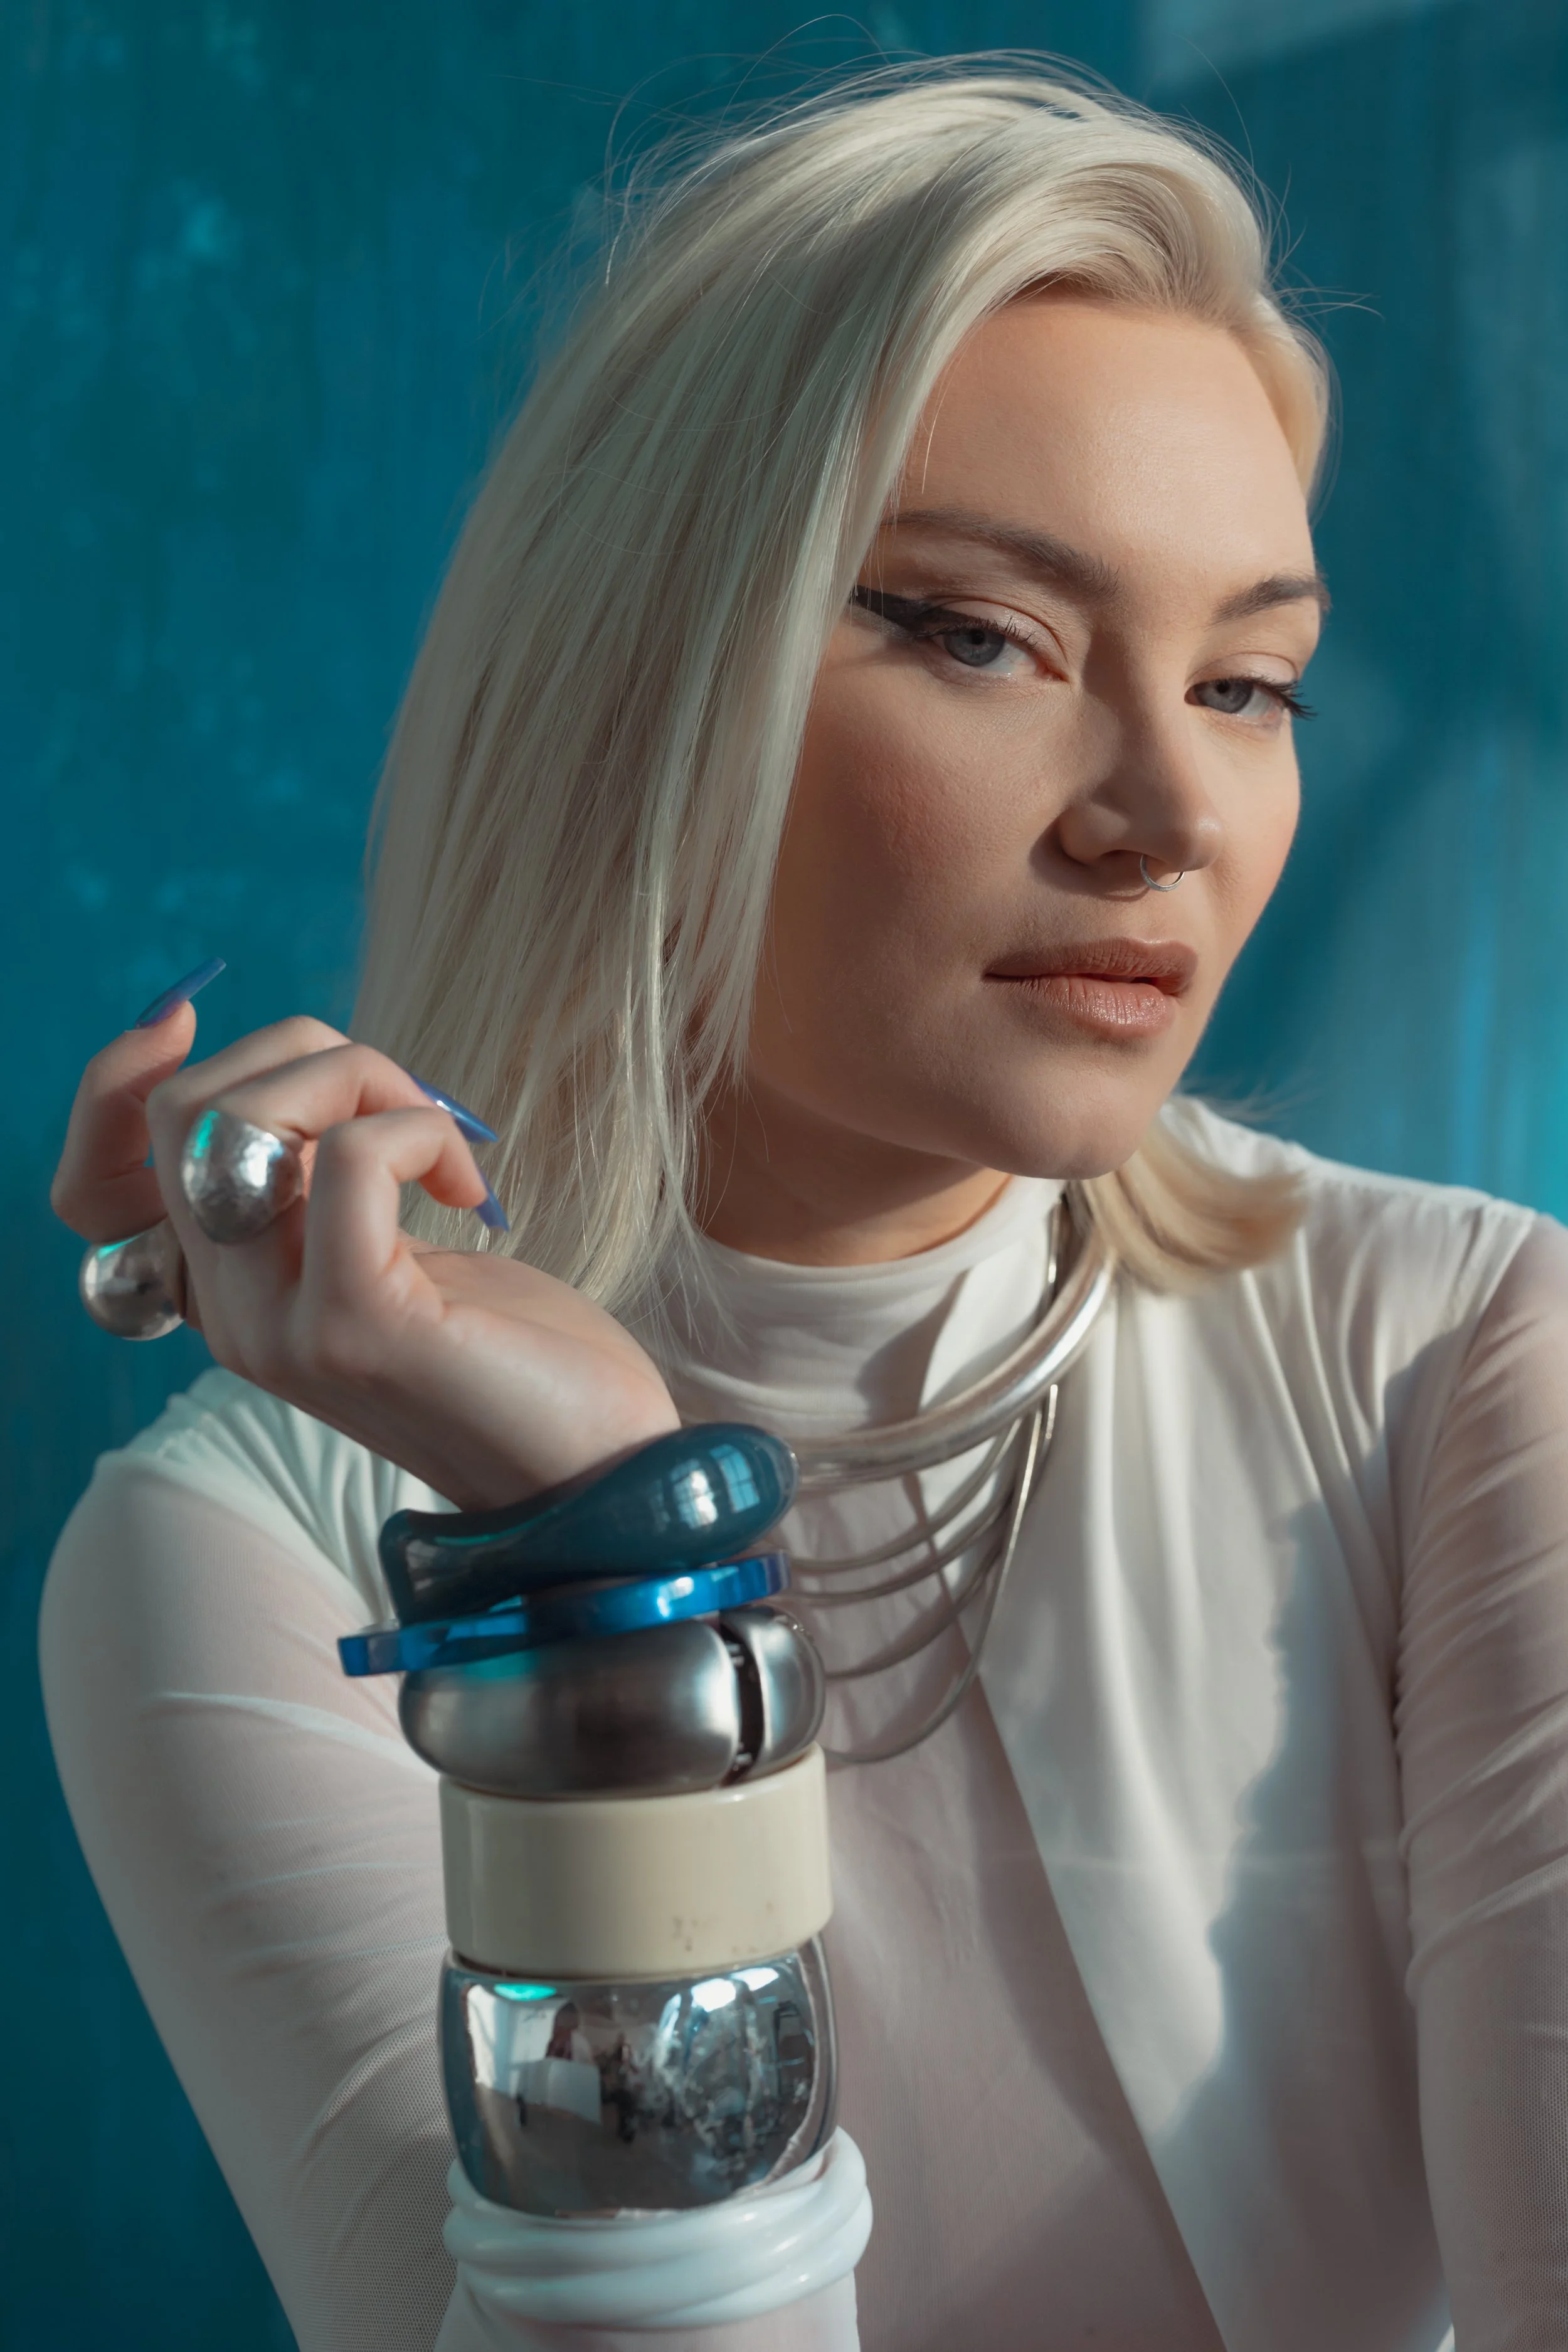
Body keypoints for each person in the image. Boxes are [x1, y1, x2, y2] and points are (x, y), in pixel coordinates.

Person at [38, 57, 1568, 2352]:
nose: (1166, 806)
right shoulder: (242, 1548)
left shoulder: (1456, 1356)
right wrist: (595, 1569)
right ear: (648, 677)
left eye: (1249, 680)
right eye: (981, 634)